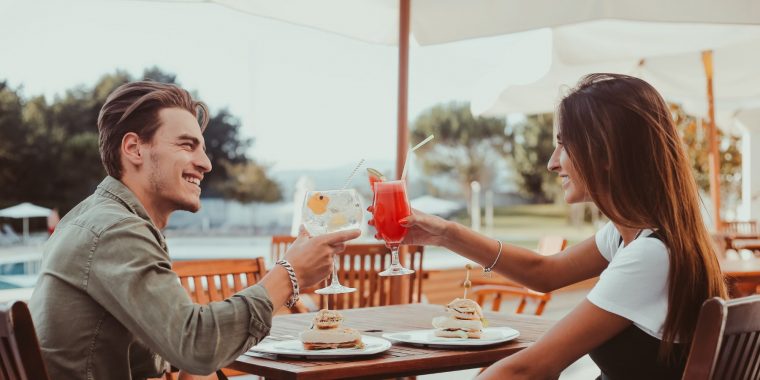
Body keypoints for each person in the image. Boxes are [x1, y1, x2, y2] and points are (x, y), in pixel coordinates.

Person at [385, 74, 727, 379]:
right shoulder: (636, 235)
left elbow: (532, 368)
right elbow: (544, 272)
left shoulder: (650, 256)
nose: (552, 163)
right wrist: (448, 234)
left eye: (564, 144)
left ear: (605, 153)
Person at [29, 81, 360, 380]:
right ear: (134, 149)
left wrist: (195, 360)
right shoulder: (115, 230)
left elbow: (183, 350)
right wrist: (289, 274)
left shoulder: (98, 218)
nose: (206, 163)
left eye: (202, 148)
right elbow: (197, 344)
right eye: (187, 145)